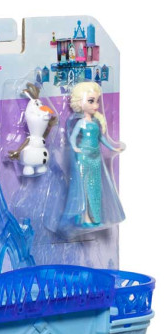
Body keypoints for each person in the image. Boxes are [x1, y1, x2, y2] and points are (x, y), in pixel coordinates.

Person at [63, 81, 125, 230]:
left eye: (97, 101)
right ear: (80, 102)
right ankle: (84, 218)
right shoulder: (80, 123)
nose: (96, 105)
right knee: (83, 188)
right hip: (84, 158)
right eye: (91, 101)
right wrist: (75, 148)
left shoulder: (96, 122)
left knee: (95, 188)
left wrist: (113, 147)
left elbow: (102, 138)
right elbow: (72, 137)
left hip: (96, 158)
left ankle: (95, 217)